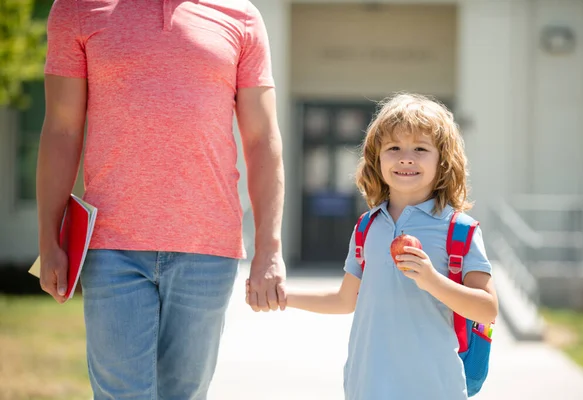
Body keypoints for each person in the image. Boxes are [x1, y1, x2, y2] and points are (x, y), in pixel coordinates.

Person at [36, 1, 286, 399]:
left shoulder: (240, 15)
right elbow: (62, 129)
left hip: (208, 249)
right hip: (110, 246)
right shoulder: (78, 9)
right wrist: (49, 240)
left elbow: (262, 139)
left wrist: (269, 249)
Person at [249, 93, 499, 399]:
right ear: (376, 159)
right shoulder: (367, 227)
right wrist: (283, 296)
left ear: (443, 161)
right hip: (366, 385)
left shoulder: (459, 230)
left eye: (420, 148)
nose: (406, 157)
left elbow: (487, 309)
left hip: (434, 388)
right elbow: (344, 300)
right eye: (394, 148)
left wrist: (431, 279)